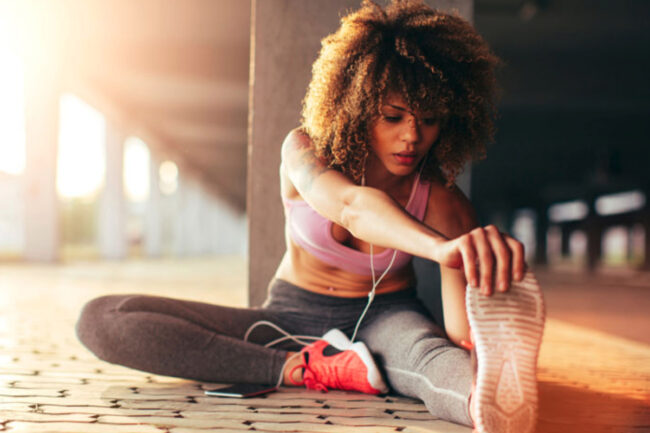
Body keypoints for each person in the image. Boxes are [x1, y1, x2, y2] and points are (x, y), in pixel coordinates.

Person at [76, 1, 545, 432]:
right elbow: (350, 206)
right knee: (103, 318)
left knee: (432, 359)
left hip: (388, 320)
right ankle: (300, 368)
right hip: (286, 318)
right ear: (358, 107)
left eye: (429, 119)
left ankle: (488, 406)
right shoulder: (303, 152)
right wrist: (441, 247)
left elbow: (461, 332)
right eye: (393, 116)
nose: (411, 137)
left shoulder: (444, 203)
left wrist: (480, 294)